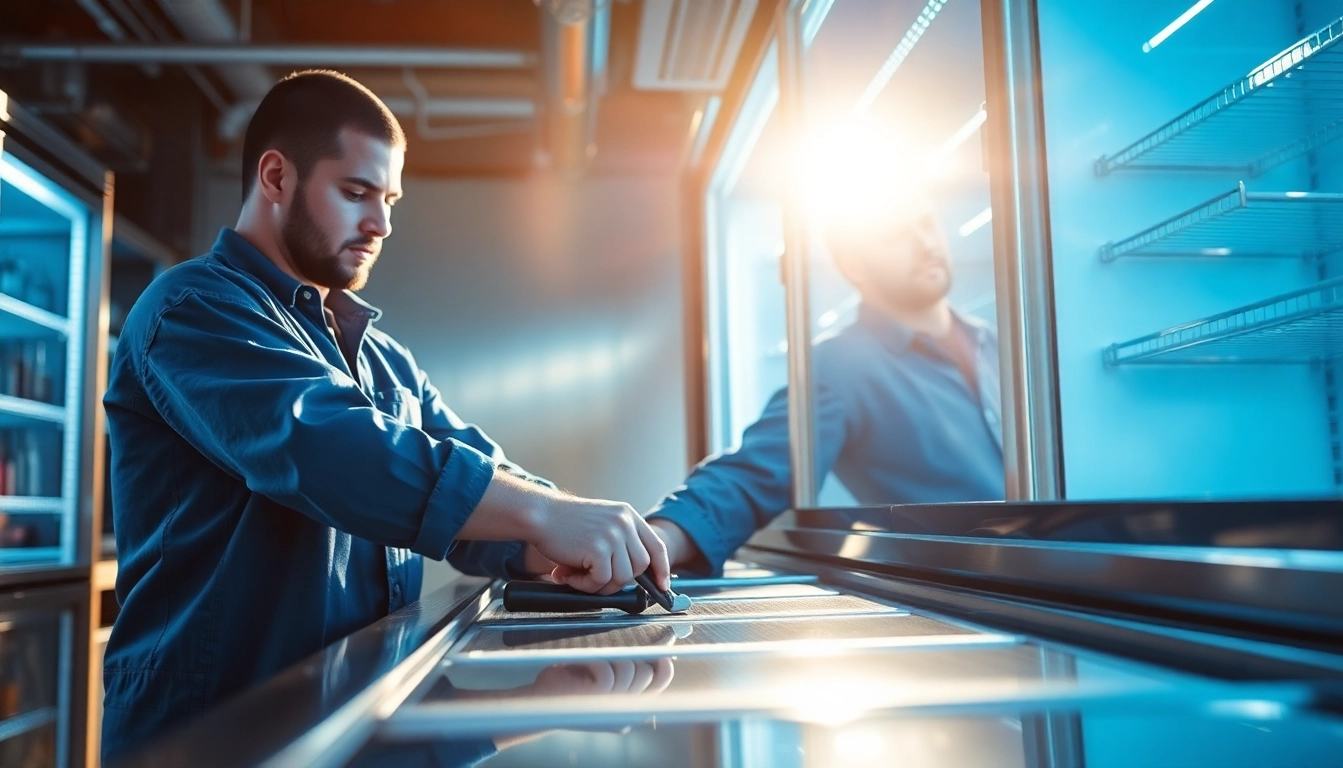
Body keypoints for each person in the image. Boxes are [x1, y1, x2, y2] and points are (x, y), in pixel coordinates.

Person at [100, 70, 669, 762]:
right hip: (213, 738)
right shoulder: (191, 310)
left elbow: (470, 469)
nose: (382, 223)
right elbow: (328, 447)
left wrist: (554, 541)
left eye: (389, 198)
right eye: (356, 192)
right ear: (276, 177)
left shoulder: (383, 358)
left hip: (344, 724)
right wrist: (543, 517)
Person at [647, 195, 1004, 575]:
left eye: (927, 223)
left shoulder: (1001, 344)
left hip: (1061, 575)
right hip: (972, 587)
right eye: (896, 235)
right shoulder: (840, 365)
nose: (926, 243)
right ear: (854, 265)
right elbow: (756, 473)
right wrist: (658, 540)